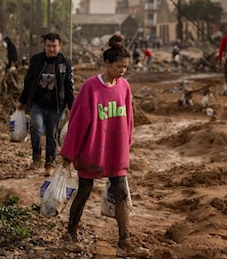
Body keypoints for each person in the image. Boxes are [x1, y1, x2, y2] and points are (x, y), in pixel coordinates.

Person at [60, 34, 149, 258]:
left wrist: (127, 141)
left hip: (115, 151)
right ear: (107, 63)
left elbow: (129, 117)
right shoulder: (91, 87)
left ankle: (124, 241)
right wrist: (69, 153)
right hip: (92, 150)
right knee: (84, 190)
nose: (122, 71)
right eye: (119, 66)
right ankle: (70, 234)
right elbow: (78, 122)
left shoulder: (125, 87)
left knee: (121, 192)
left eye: (126, 67)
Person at [18, 32, 75, 176]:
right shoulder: (36, 60)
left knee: (52, 134)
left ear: (60, 46)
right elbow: (28, 82)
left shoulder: (65, 63)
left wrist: (72, 106)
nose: (51, 49)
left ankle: (49, 163)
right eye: (48, 46)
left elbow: (69, 86)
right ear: (44, 46)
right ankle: (36, 156)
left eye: (54, 46)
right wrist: (23, 101)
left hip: (57, 106)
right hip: (38, 104)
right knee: (35, 127)